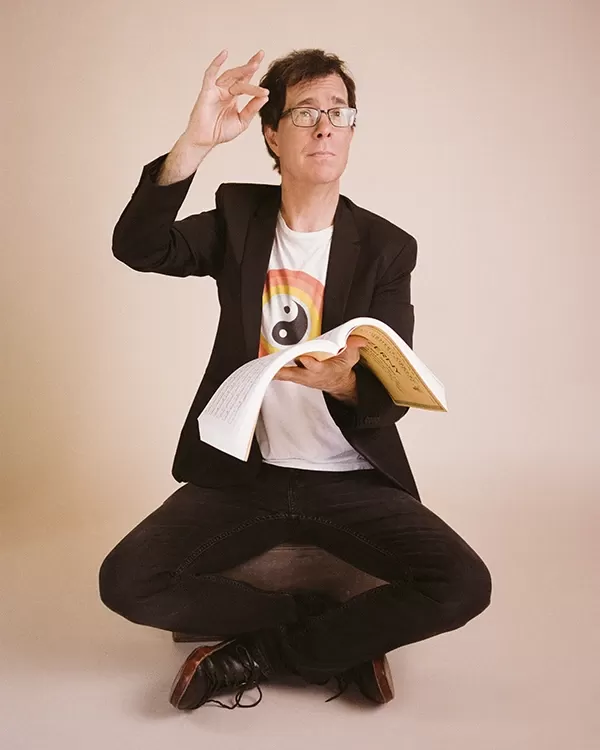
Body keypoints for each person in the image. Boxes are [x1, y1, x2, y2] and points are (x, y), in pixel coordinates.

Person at [99, 48, 492, 712]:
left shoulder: (388, 247)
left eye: (340, 112)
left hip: (350, 480)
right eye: (307, 111)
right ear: (273, 134)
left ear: (352, 128)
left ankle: (260, 656)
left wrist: (343, 381)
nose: (325, 127)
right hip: (247, 477)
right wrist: (194, 143)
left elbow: (389, 395)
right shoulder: (238, 219)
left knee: (462, 584)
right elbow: (139, 246)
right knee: (128, 582)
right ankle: (329, 637)